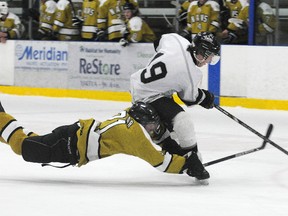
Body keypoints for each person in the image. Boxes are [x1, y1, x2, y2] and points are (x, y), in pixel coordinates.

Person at [0, 101, 209, 182]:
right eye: (152, 126)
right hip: (69, 146)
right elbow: (160, 162)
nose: (153, 131)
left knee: (26, 142)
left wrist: (180, 152)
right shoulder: (134, 136)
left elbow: (155, 136)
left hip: (71, 136)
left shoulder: (130, 115)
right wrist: (187, 166)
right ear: (143, 122)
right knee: (23, 147)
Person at [130, 32, 220, 179]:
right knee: (182, 121)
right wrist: (206, 98)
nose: (207, 61)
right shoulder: (191, 74)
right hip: (148, 96)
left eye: (212, 58)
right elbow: (189, 99)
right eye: (208, 57)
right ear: (200, 52)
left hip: (140, 84)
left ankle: (179, 153)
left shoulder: (177, 40)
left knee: (172, 131)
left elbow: (159, 40)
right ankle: (193, 159)